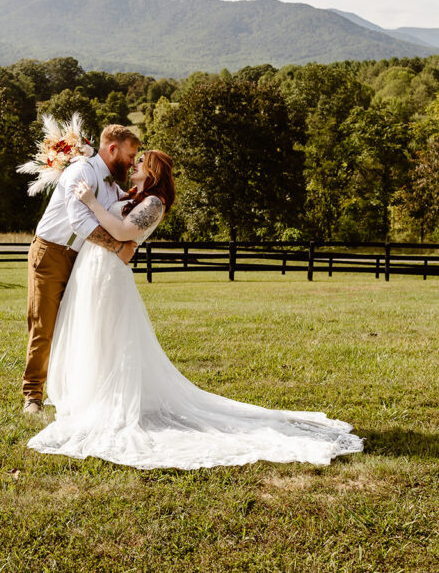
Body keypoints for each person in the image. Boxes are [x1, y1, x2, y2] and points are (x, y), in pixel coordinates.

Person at [28, 150, 364, 469]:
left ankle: (111, 402)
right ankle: (91, 395)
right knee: (95, 336)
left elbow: (121, 231)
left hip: (110, 277)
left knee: (110, 339)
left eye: (141, 161)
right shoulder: (132, 196)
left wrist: (89, 202)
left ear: (153, 172)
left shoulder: (154, 203)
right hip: (95, 271)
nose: (135, 164)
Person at [23, 125, 141, 414]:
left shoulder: (113, 185)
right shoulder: (81, 172)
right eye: (130, 155)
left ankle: (69, 388)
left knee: (76, 323)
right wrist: (117, 247)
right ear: (112, 149)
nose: (131, 161)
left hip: (80, 258)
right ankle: (32, 396)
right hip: (50, 253)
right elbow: (81, 223)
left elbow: (115, 217)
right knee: (44, 325)